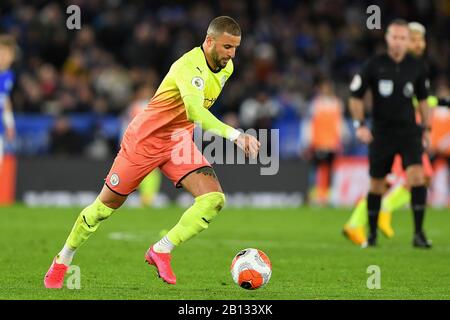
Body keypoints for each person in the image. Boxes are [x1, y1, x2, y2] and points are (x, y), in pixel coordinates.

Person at [44, 16, 260, 288]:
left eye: (236, 48)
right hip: (144, 142)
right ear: (209, 41)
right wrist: (235, 135)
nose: (232, 54)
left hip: (177, 141)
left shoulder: (225, 69)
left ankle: (161, 250)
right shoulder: (188, 67)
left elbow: (191, 116)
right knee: (103, 209)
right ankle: (63, 259)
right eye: (227, 47)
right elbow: (194, 110)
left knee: (213, 199)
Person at [343, 21, 450, 246]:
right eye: (415, 39)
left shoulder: (416, 67)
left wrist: (427, 126)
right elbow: (415, 99)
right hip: (385, 131)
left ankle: (378, 220)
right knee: (385, 181)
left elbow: (420, 99)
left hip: (410, 131)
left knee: (412, 178)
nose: (420, 44)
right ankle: (366, 219)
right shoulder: (380, 65)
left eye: (420, 39)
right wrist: (442, 101)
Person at [0, 35, 16, 166]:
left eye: (8, 53)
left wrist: (10, 124)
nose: (4, 57)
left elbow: (5, 99)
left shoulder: (8, 75)